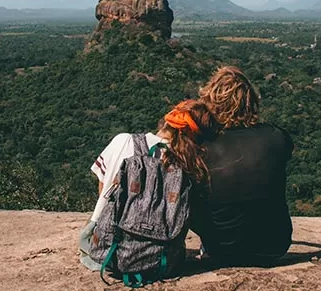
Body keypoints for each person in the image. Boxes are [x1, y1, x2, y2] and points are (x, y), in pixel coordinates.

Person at [79, 99, 220, 270]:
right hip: (162, 258)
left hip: (104, 251)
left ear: (167, 120)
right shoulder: (190, 167)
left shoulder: (123, 141)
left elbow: (103, 190)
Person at [192, 65, 294, 266]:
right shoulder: (277, 137)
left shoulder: (201, 146)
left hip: (221, 249)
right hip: (274, 246)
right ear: (251, 101)